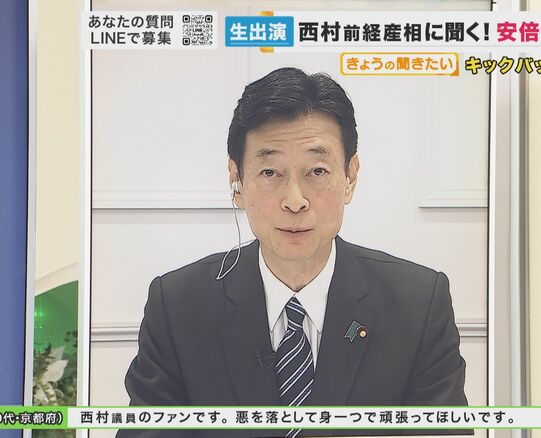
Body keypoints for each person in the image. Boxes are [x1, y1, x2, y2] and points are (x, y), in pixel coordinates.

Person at [119, 67, 470, 438]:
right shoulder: (177, 307)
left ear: (350, 177)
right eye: (270, 172)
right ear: (237, 180)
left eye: (317, 171)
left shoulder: (418, 305)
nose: (295, 200)